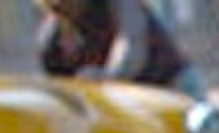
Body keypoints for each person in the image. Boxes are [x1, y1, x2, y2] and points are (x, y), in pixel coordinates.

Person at [36, 0, 206, 98]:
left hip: (171, 87)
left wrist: (103, 79)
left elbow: (132, 50)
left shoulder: (118, 4)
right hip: (127, 104)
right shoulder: (52, 43)